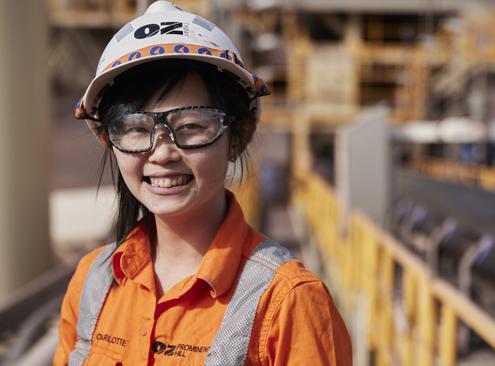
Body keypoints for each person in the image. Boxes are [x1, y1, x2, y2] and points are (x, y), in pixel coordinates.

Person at [53, 2, 352, 365]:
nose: (162, 153)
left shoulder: (289, 302)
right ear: (108, 140)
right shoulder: (92, 283)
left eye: (192, 126)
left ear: (238, 137)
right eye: (135, 128)